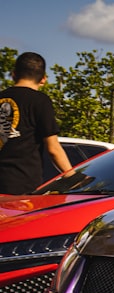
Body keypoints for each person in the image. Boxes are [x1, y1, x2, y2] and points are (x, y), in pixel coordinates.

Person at [0, 52, 73, 195]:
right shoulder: (40, 101)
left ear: (14, 74)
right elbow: (53, 148)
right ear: (43, 79)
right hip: (22, 186)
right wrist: (72, 176)